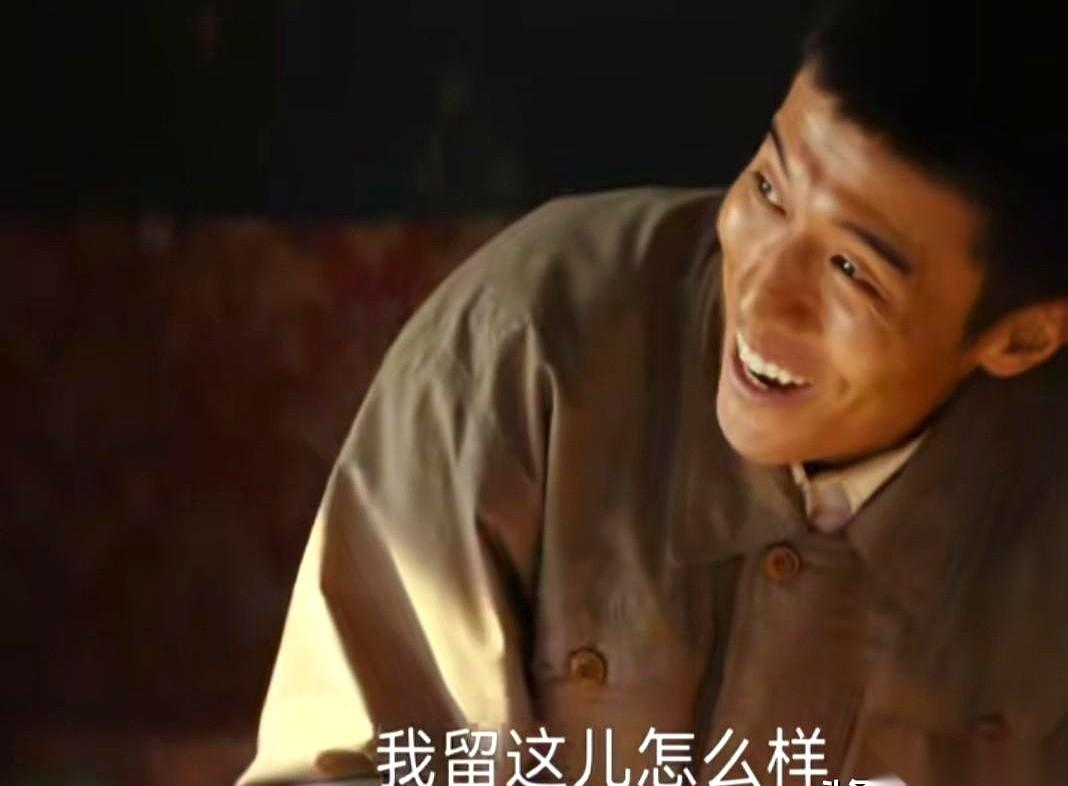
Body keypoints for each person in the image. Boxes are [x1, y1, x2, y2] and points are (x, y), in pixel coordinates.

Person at [237, 1, 1068, 783]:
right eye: (769, 190)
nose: (761, 296)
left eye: (852, 270)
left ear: (1022, 338)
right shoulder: (529, 348)